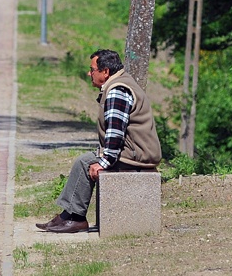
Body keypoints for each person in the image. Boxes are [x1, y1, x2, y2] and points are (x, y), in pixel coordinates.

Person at [36, 49, 162, 234]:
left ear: (105, 72)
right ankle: (69, 216)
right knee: (86, 160)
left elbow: (115, 131)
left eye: (92, 69)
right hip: (135, 151)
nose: (89, 73)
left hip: (137, 155)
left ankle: (73, 218)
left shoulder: (117, 90)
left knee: (85, 162)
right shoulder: (119, 84)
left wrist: (104, 162)